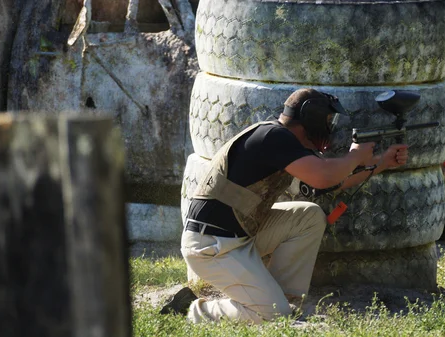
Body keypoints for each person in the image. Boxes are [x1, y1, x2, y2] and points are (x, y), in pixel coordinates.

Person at [160, 88, 409, 324]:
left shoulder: (281, 141)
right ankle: (190, 309)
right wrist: (356, 155)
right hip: (211, 246)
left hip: (237, 237)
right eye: (328, 121)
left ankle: (284, 299)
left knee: (308, 216)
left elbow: (331, 181)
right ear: (311, 117)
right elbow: (325, 175)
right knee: (271, 315)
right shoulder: (274, 137)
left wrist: (382, 162)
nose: (330, 129)